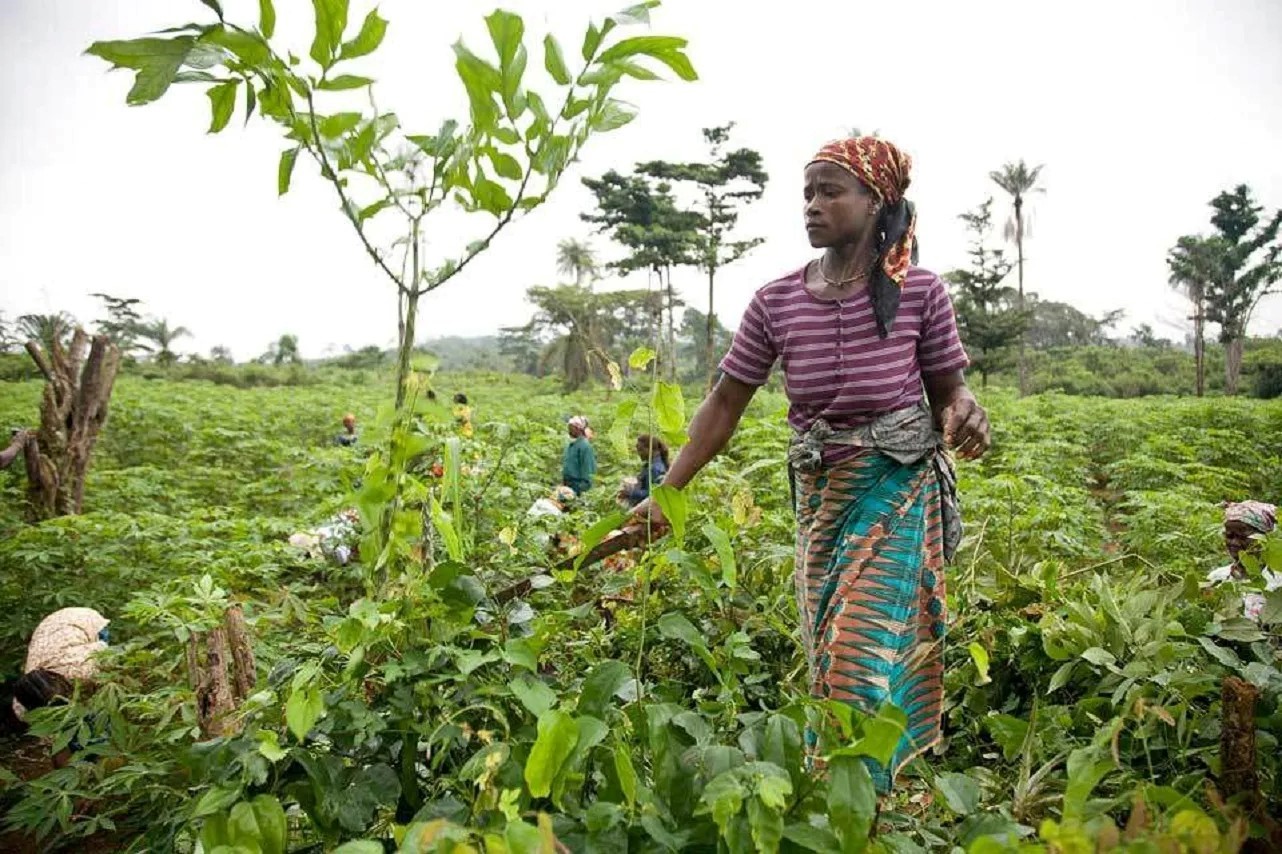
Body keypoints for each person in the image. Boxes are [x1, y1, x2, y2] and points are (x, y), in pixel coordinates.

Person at [628, 136, 990, 795]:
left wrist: (966, 410)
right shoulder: (777, 301)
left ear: (876, 201)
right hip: (823, 494)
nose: (813, 205)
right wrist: (667, 492)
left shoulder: (920, 293)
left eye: (830, 191)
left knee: (858, 647)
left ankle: (858, 797)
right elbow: (724, 404)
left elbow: (950, 392)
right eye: (807, 193)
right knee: (829, 649)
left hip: (896, 487)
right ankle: (860, 798)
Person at [3, 608, 109, 738]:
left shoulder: (82, 668)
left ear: (56, 680)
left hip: (83, 620)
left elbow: (105, 651)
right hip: (50, 634)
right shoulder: (23, 705)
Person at [619, 434, 669, 508]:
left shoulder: (654, 468)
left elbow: (652, 493)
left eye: (641, 450)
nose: (639, 454)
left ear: (650, 449)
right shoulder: (651, 465)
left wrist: (629, 493)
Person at [561, 416, 597, 496]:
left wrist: (581, 489)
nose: (569, 430)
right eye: (569, 427)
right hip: (568, 486)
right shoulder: (571, 445)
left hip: (578, 487)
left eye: (572, 428)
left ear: (579, 429)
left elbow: (588, 471)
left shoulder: (584, 446)